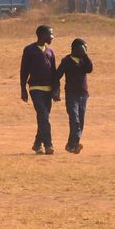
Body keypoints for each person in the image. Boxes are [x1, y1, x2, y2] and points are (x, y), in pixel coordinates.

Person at [20, 25, 59, 154]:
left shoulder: (50, 52)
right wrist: (23, 89)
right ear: (42, 35)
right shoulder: (29, 50)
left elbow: (54, 73)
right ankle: (48, 145)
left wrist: (56, 90)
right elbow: (24, 71)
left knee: (43, 118)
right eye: (50, 34)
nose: (52, 37)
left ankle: (37, 144)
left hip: (48, 90)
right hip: (35, 89)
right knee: (44, 116)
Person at [56, 38, 93, 153]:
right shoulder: (66, 61)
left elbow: (90, 69)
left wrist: (85, 55)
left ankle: (71, 144)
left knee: (80, 120)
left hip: (83, 94)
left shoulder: (84, 60)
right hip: (71, 94)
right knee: (74, 119)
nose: (85, 50)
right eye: (83, 48)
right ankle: (74, 144)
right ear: (75, 48)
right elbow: (57, 76)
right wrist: (56, 91)